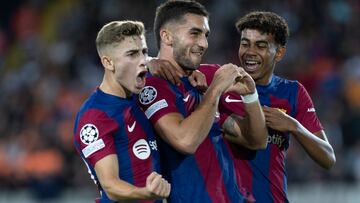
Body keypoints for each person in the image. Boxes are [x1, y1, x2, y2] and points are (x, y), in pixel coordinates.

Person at [138, 1, 267, 203]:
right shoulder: (150, 85)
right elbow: (185, 141)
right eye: (194, 33)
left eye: (205, 35)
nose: (204, 43)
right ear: (166, 36)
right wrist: (215, 90)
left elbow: (257, 141)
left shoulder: (207, 75)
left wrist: (251, 96)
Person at [202, 11, 336, 203]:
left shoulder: (293, 92)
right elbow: (176, 66)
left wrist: (294, 126)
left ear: (279, 53)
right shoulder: (219, 78)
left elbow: (328, 158)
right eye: (245, 43)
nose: (250, 51)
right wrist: (153, 63)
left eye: (261, 45)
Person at [73, 20, 171, 203]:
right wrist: (146, 194)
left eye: (143, 52)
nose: (142, 60)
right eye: (132, 54)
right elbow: (110, 185)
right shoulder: (95, 117)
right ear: (108, 62)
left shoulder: (138, 94)